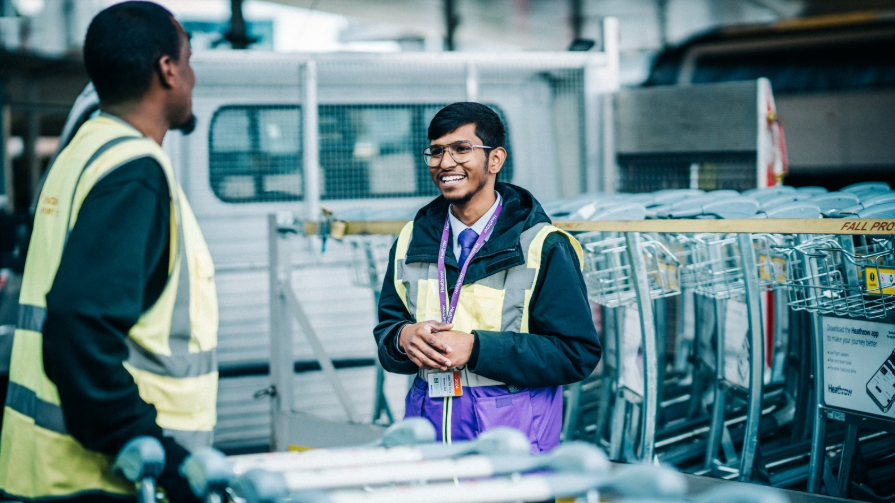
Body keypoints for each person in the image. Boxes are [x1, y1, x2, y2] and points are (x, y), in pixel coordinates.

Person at [0, 3, 216, 502]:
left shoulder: (81, 152)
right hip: (107, 481)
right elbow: (79, 327)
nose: (192, 75)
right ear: (167, 69)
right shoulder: (133, 171)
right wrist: (156, 452)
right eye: (189, 58)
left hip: (40, 470)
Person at [374, 102, 601, 451]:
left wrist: (477, 348)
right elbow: (388, 330)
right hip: (429, 433)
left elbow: (575, 353)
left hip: (512, 443)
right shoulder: (410, 240)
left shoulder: (543, 246)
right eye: (436, 151)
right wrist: (403, 338)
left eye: (461, 149)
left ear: (495, 159)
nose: (445, 163)